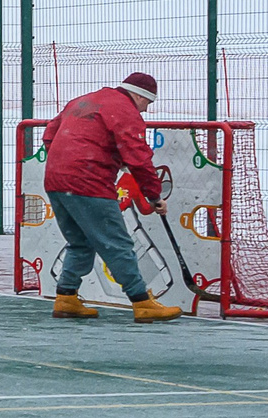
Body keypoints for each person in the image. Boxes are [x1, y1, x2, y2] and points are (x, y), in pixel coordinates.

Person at [42, 68, 181, 322]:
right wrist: (155, 196)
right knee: (117, 243)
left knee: (81, 241)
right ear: (139, 96)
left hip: (55, 180)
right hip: (89, 183)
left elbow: (49, 134)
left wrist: (73, 160)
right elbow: (139, 158)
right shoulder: (125, 111)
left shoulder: (83, 100)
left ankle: (66, 297)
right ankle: (141, 301)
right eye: (147, 102)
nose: (146, 110)